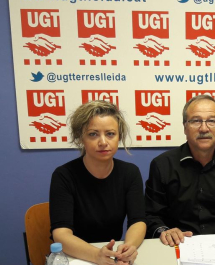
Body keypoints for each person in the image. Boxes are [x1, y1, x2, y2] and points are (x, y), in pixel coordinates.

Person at [145, 95, 215, 261]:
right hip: (176, 247)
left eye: (212, 121)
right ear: (185, 127)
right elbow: (150, 214)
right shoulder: (162, 164)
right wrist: (164, 230)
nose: (204, 128)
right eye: (196, 121)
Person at [49, 100, 146, 265]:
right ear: (81, 138)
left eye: (110, 134)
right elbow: (61, 233)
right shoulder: (64, 175)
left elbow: (138, 221)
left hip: (112, 255)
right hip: (77, 257)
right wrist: (97, 256)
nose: (103, 142)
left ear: (119, 137)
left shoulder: (130, 173)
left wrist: (128, 248)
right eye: (93, 134)